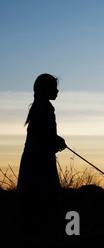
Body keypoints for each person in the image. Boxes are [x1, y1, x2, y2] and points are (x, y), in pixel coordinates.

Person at [17, 74, 66, 210]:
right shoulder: (45, 106)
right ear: (46, 89)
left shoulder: (40, 105)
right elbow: (39, 129)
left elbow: (39, 131)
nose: (57, 91)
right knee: (42, 195)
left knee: (33, 195)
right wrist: (56, 139)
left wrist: (55, 140)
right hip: (39, 158)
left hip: (36, 155)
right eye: (54, 88)